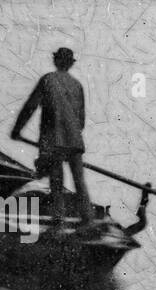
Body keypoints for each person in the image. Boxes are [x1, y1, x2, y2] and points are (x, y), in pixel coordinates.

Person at [11, 47, 96, 229]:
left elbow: (30, 106)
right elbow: (80, 121)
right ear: (70, 64)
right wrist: (70, 134)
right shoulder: (77, 85)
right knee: (79, 181)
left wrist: (17, 130)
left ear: (56, 61)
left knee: (56, 182)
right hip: (74, 141)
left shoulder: (48, 80)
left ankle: (59, 222)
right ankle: (88, 220)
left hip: (53, 141)